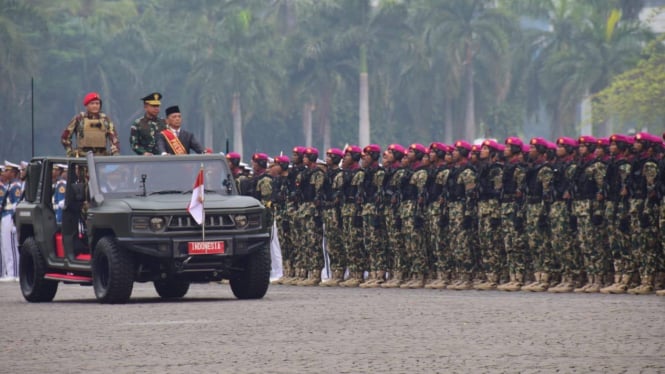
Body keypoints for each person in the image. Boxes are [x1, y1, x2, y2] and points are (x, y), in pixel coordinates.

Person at [61, 92, 120, 157]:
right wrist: (70, 152)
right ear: (87, 105)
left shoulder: (105, 120)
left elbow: (114, 138)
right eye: (92, 103)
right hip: (83, 158)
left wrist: (115, 152)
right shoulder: (79, 119)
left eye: (97, 103)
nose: (95, 106)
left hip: (101, 158)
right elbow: (65, 137)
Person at [1, 161, 22, 281]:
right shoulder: (10, 186)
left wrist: (15, 222)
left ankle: (14, 273)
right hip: (5, 216)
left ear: (13, 173)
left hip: (10, 217)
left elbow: (16, 205)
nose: (4, 173)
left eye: (7, 170)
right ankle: (9, 272)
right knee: (6, 247)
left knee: (12, 247)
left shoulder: (15, 187)